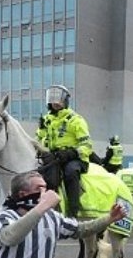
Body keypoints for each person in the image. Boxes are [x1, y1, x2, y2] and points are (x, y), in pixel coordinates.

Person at [36, 85, 93, 218]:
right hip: (53, 157)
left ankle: (73, 212)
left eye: (58, 99)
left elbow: (87, 145)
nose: (55, 102)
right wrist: (41, 130)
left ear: (65, 101)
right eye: (52, 98)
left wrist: (71, 153)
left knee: (70, 172)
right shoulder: (47, 120)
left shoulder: (76, 120)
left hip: (74, 158)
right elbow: (38, 139)